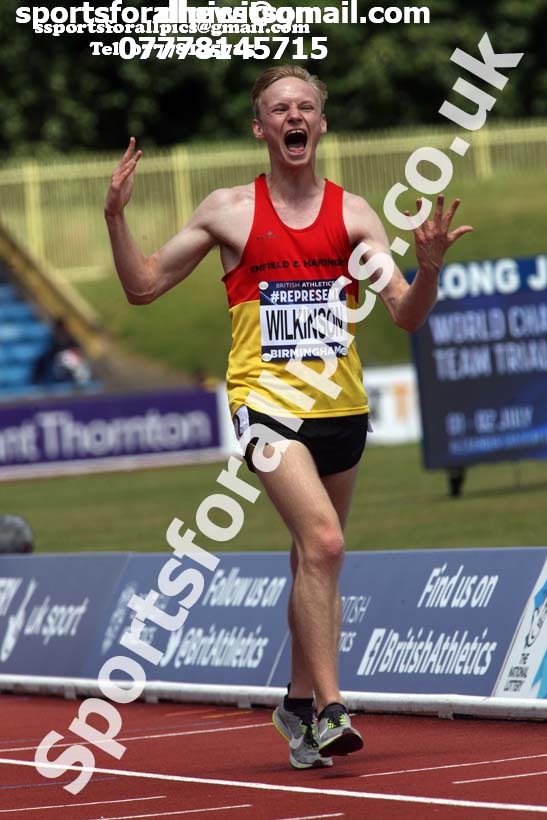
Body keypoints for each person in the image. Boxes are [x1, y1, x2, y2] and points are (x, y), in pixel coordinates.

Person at [104, 65, 473, 770]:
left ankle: (296, 704)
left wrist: (426, 270)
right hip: (266, 409)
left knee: (314, 560)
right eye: (279, 108)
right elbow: (142, 286)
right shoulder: (228, 211)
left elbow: (403, 315)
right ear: (261, 127)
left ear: (320, 125)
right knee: (326, 543)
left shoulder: (355, 215)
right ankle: (333, 709)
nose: (293, 116)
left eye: (306, 106)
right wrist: (116, 218)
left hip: (341, 408)